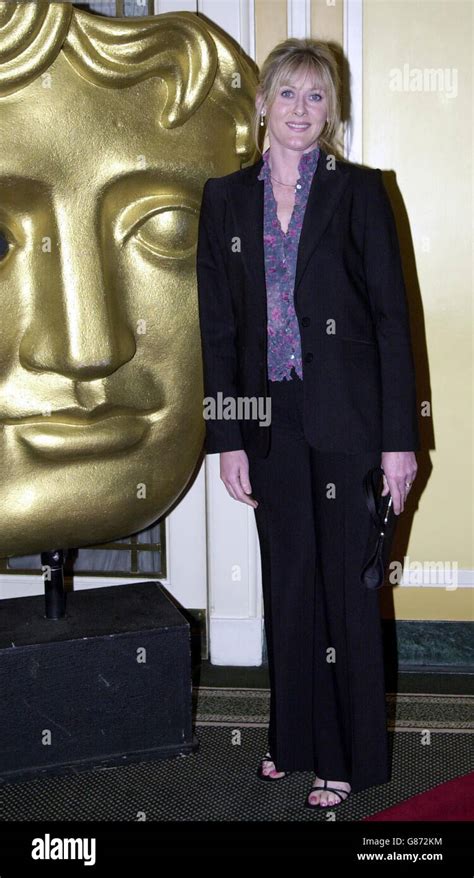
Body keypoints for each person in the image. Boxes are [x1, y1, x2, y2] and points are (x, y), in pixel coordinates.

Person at [196, 38, 419, 809]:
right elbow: (218, 330)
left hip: (350, 418)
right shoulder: (223, 200)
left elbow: (393, 321)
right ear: (261, 104)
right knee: (287, 584)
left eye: (316, 97)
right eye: (287, 94)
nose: (300, 110)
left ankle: (344, 757)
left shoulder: (359, 192)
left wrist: (400, 441)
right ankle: (291, 740)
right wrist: (227, 437)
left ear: (334, 111)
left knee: (346, 595)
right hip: (269, 420)